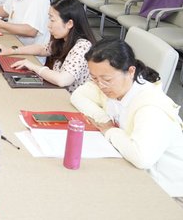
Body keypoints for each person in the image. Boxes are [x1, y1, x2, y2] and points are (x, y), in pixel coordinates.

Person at [71, 38, 183, 202]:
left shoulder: (151, 107)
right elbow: (78, 95)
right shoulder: (115, 87)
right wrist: (104, 119)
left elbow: (141, 158)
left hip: (167, 190)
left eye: (106, 79)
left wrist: (111, 131)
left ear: (130, 71)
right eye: (94, 78)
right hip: (135, 171)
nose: (100, 85)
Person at [0, 0, 95, 92]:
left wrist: (33, 67)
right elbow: (42, 49)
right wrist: (11, 50)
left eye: (52, 20)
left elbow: (62, 80)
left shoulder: (83, 46)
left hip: (69, 99)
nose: (49, 25)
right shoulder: (64, 39)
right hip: (59, 92)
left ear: (69, 24)